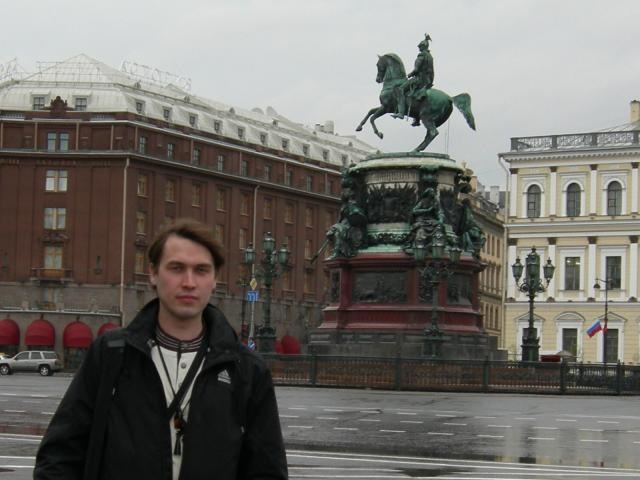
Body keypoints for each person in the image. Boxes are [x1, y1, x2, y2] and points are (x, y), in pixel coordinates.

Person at [34, 219, 288, 480]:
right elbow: (59, 456)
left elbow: (267, 470)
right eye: (176, 268)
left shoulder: (246, 369)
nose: (189, 282)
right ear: (153, 273)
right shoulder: (111, 354)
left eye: (201, 270)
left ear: (214, 280)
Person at [395, 34, 435, 126]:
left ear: (423, 46)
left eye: (420, 46)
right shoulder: (430, 56)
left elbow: (416, 69)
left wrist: (409, 75)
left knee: (400, 89)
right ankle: (416, 118)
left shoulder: (421, 55)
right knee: (415, 95)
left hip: (419, 79)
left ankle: (401, 113)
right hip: (428, 80)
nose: (418, 47)